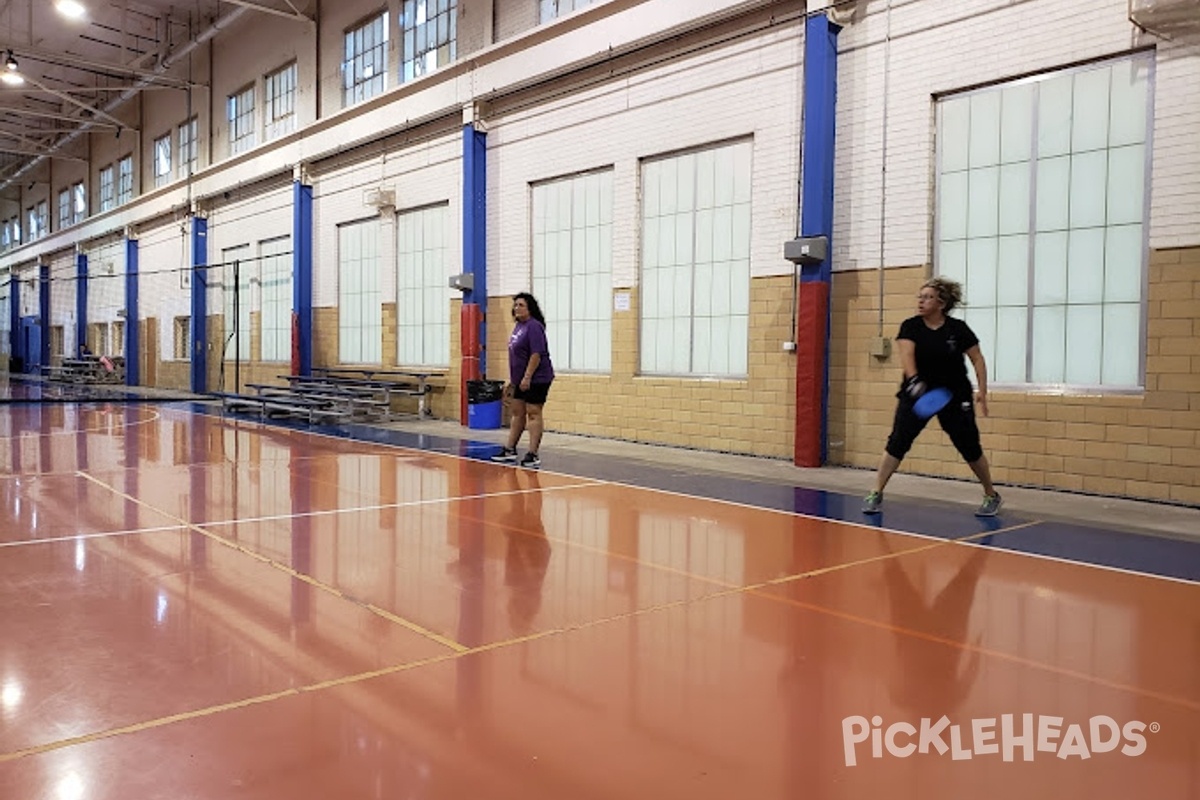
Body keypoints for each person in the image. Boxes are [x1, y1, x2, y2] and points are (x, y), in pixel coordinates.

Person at [862, 277, 1002, 517]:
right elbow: (907, 354)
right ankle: (876, 492)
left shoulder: (958, 329)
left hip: (955, 395)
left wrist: (982, 390)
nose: (921, 301)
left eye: (927, 297)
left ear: (941, 303)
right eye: (920, 296)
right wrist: (915, 380)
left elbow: (977, 358)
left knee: (968, 446)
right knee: (898, 442)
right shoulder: (911, 326)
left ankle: (991, 494)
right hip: (918, 395)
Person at [491, 292, 554, 468]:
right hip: (520, 379)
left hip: (538, 378)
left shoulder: (534, 327)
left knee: (533, 412)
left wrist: (527, 377)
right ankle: (510, 449)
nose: (517, 308)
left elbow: (536, 355)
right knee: (517, 412)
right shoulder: (519, 327)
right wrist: (512, 382)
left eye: (521, 305)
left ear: (530, 308)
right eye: (515, 305)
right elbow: (517, 356)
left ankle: (533, 454)